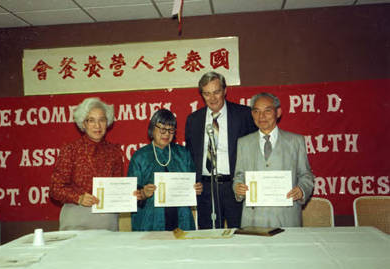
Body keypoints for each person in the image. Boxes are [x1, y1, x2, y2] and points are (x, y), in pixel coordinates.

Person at [185, 71, 257, 229]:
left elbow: (254, 150)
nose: (212, 98)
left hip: (234, 187)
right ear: (202, 95)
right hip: (205, 189)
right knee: (208, 239)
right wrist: (190, 183)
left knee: (239, 236)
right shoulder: (193, 120)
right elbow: (189, 156)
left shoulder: (243, 115)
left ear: (225, 90)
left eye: (216, 92)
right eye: (207, 93)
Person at [233, 92, 314, 227]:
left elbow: (306, 175)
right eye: (256, 111)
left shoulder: (295, 141)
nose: (261, 116)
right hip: (253, 220)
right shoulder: (243, 143)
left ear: (278, 112)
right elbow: (239, 175)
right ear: (252, 114)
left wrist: (302, 189)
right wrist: (237, 187)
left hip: (286, 217)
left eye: (267, 111)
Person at [50, 97, 123, 231]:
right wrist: (78, 198)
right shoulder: (70, 150)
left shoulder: (115, 152)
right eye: (91, 120)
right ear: (83, 124)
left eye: (102, 120)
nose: (97, 125)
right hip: (77, 217)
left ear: (107, 123)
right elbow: (55, 189)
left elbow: (117, 187)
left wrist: (129, 194)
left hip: (107, 220)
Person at [128, 109, 203, 231]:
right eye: (162, 129)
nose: (166, 134)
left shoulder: (183, 154)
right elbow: (129, 196)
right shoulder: (140, 156)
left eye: (171, 130)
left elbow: (193, 184)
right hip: (150, 222)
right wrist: (143, 194)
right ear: (152, 129)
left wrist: (196, 189)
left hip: (181, 220)